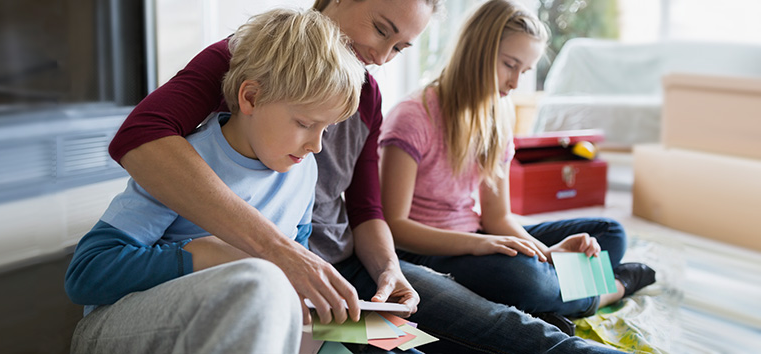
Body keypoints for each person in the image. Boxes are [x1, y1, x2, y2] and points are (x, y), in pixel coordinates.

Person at [105, 0, 629, 352]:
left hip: (342, 275)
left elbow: (367, 208)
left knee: (496, 322)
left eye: (399, 47)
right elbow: (140, 136)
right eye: (381, 29)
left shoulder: (366, 99)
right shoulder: (251, 62)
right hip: (291, 278)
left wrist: (390, 269)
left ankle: (605, 287)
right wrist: (277, 253)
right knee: (488, 314)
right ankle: (590, 291)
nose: (381, 56)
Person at [64, 8, 366, 353]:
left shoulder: (304, 169)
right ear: (250, 97)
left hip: (249, 326)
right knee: (261, 282)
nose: (317, 145)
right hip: (118, 330)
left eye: (326, 128)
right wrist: (207, 254)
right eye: (304, 123)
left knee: (358, 341)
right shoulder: (183, 164)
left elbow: (296, 268)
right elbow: (85, 275)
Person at [379, 0, 656, 336]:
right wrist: (479, 245)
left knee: (609, 233)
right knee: (523, 279)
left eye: (523, 72)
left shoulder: (497, 114)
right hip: (427, 251)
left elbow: (498, 218)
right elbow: (394, 226)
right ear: (476, 50)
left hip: (481, 235)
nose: (514, 84)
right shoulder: (413, 116)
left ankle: (548, 299)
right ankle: (609, 289)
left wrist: (548, 254)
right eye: (510, 65)